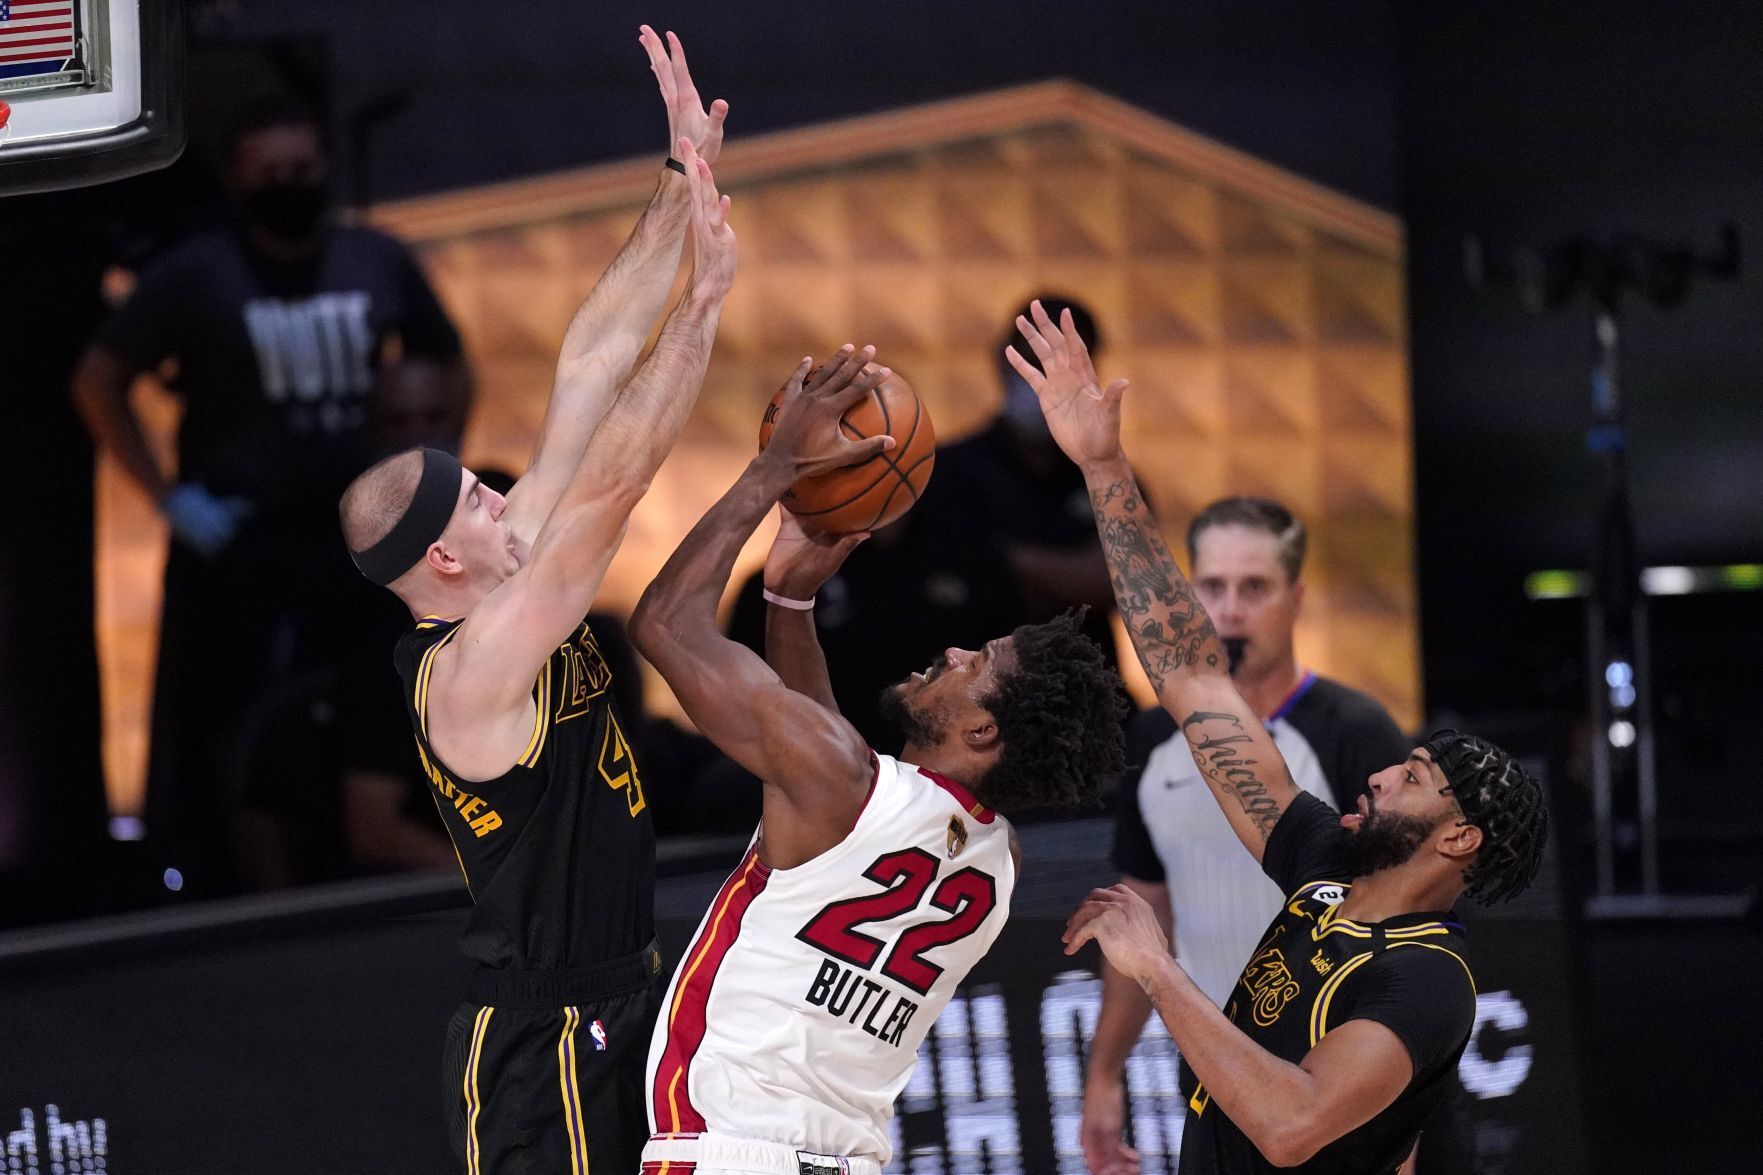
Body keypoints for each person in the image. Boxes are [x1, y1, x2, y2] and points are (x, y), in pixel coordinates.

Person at [1008, 301, 1547, 1174]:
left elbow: (1291, 1125)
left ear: (1457, 835)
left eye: (1410, 778)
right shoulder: (1322, 867)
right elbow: (1189, 676)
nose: (1376, 775)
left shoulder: (1427, 981)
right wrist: (1104, 465)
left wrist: (1156, 969)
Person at [335, 28, 734, 1174]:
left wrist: (676, 184)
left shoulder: (493, 569)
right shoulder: (470, 666)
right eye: (475, 499)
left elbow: (592, 362)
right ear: (442, 562)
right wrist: (704, 305)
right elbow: (610, 485)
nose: (505, 494)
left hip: (626, 989)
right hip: (542, 1039)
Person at [628, 347, 1127, 1175]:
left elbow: (664, 627)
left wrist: (773, 466)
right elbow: (825, 753)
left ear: (981, 735)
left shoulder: (840, 781)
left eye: (978, 666)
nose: (956, 650)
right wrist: (789, 602)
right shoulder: (994, 862)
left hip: (730, 1150)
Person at [71, 95, 471, 896]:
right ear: (237, 180)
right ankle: (234, 895)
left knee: (355, 705)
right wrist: (166, 498)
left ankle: (347, 863)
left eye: (302, 169)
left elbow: (447, 361)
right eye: (270, 173)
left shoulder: (375, 260)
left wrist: (435, 469)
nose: (289, 184)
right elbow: (98, 379)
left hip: (358, 535)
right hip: (239, 544)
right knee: (233, 725)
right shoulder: (195, 272)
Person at [1081, 497, 1411, 1171]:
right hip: (1215, 1076)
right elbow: (1145, 916)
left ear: (1295, 598)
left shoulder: (1356, 729)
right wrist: (1103, 1074)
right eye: (1211, 587)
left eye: (1253, 587)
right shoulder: (1150, 740)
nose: (1229, 609)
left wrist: (1398, 1135)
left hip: (1343, 1083)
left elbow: (1408, 929)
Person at [916, 294, 1120, 659]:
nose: (1047, 374)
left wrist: (1006, 560)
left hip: (1087, 697)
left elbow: (1116, 583)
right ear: (1002, 359)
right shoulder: (945, 471)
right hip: (975, 692)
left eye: (1069, 361)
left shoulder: (1106, 474)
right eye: (1034, 357)